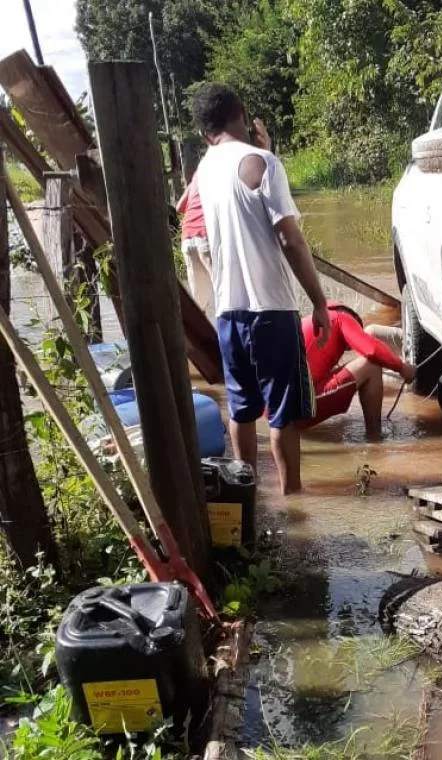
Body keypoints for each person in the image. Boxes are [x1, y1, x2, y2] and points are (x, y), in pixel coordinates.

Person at [192, 83, 330, 495]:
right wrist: (319, 303)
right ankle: (293, 502)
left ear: (204, 134)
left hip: (228, 312)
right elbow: (290, 239)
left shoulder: (203, 169)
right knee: (282, 415)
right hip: (271, 310)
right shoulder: (263, 162)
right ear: (243, 113)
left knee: (242, 409)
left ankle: (244, 496)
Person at [296, 302, 416, 439]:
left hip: (278, 411)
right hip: (299, 409)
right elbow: (372, 350)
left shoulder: (307, 323)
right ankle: (375, 437)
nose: (348, 348)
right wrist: (401, 367)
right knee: (371, 365)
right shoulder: (340, 318)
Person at [175, 176, 213, 318]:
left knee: (199, 306)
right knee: (226, 296)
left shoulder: (199, 175)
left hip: (188, 237)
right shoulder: (226, 168)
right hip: (206, 235)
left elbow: (180, 207)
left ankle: (196, 339)